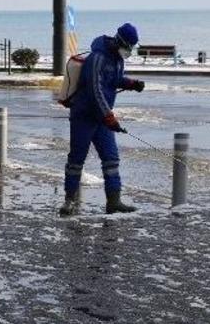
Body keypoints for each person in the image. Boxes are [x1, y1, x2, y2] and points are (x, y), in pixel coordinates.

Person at [59, 22, 146, 216]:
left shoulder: (117, 59)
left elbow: (113, 80)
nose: (129, 51)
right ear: (119, 41)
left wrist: (132, 84)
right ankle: (69, 201)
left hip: (101, 118)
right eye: (128, 46)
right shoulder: (97, 58)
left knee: (111, 158)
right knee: (76, 159)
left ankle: (114, 201)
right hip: (84, 116)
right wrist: (109, 116)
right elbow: (95, 90)